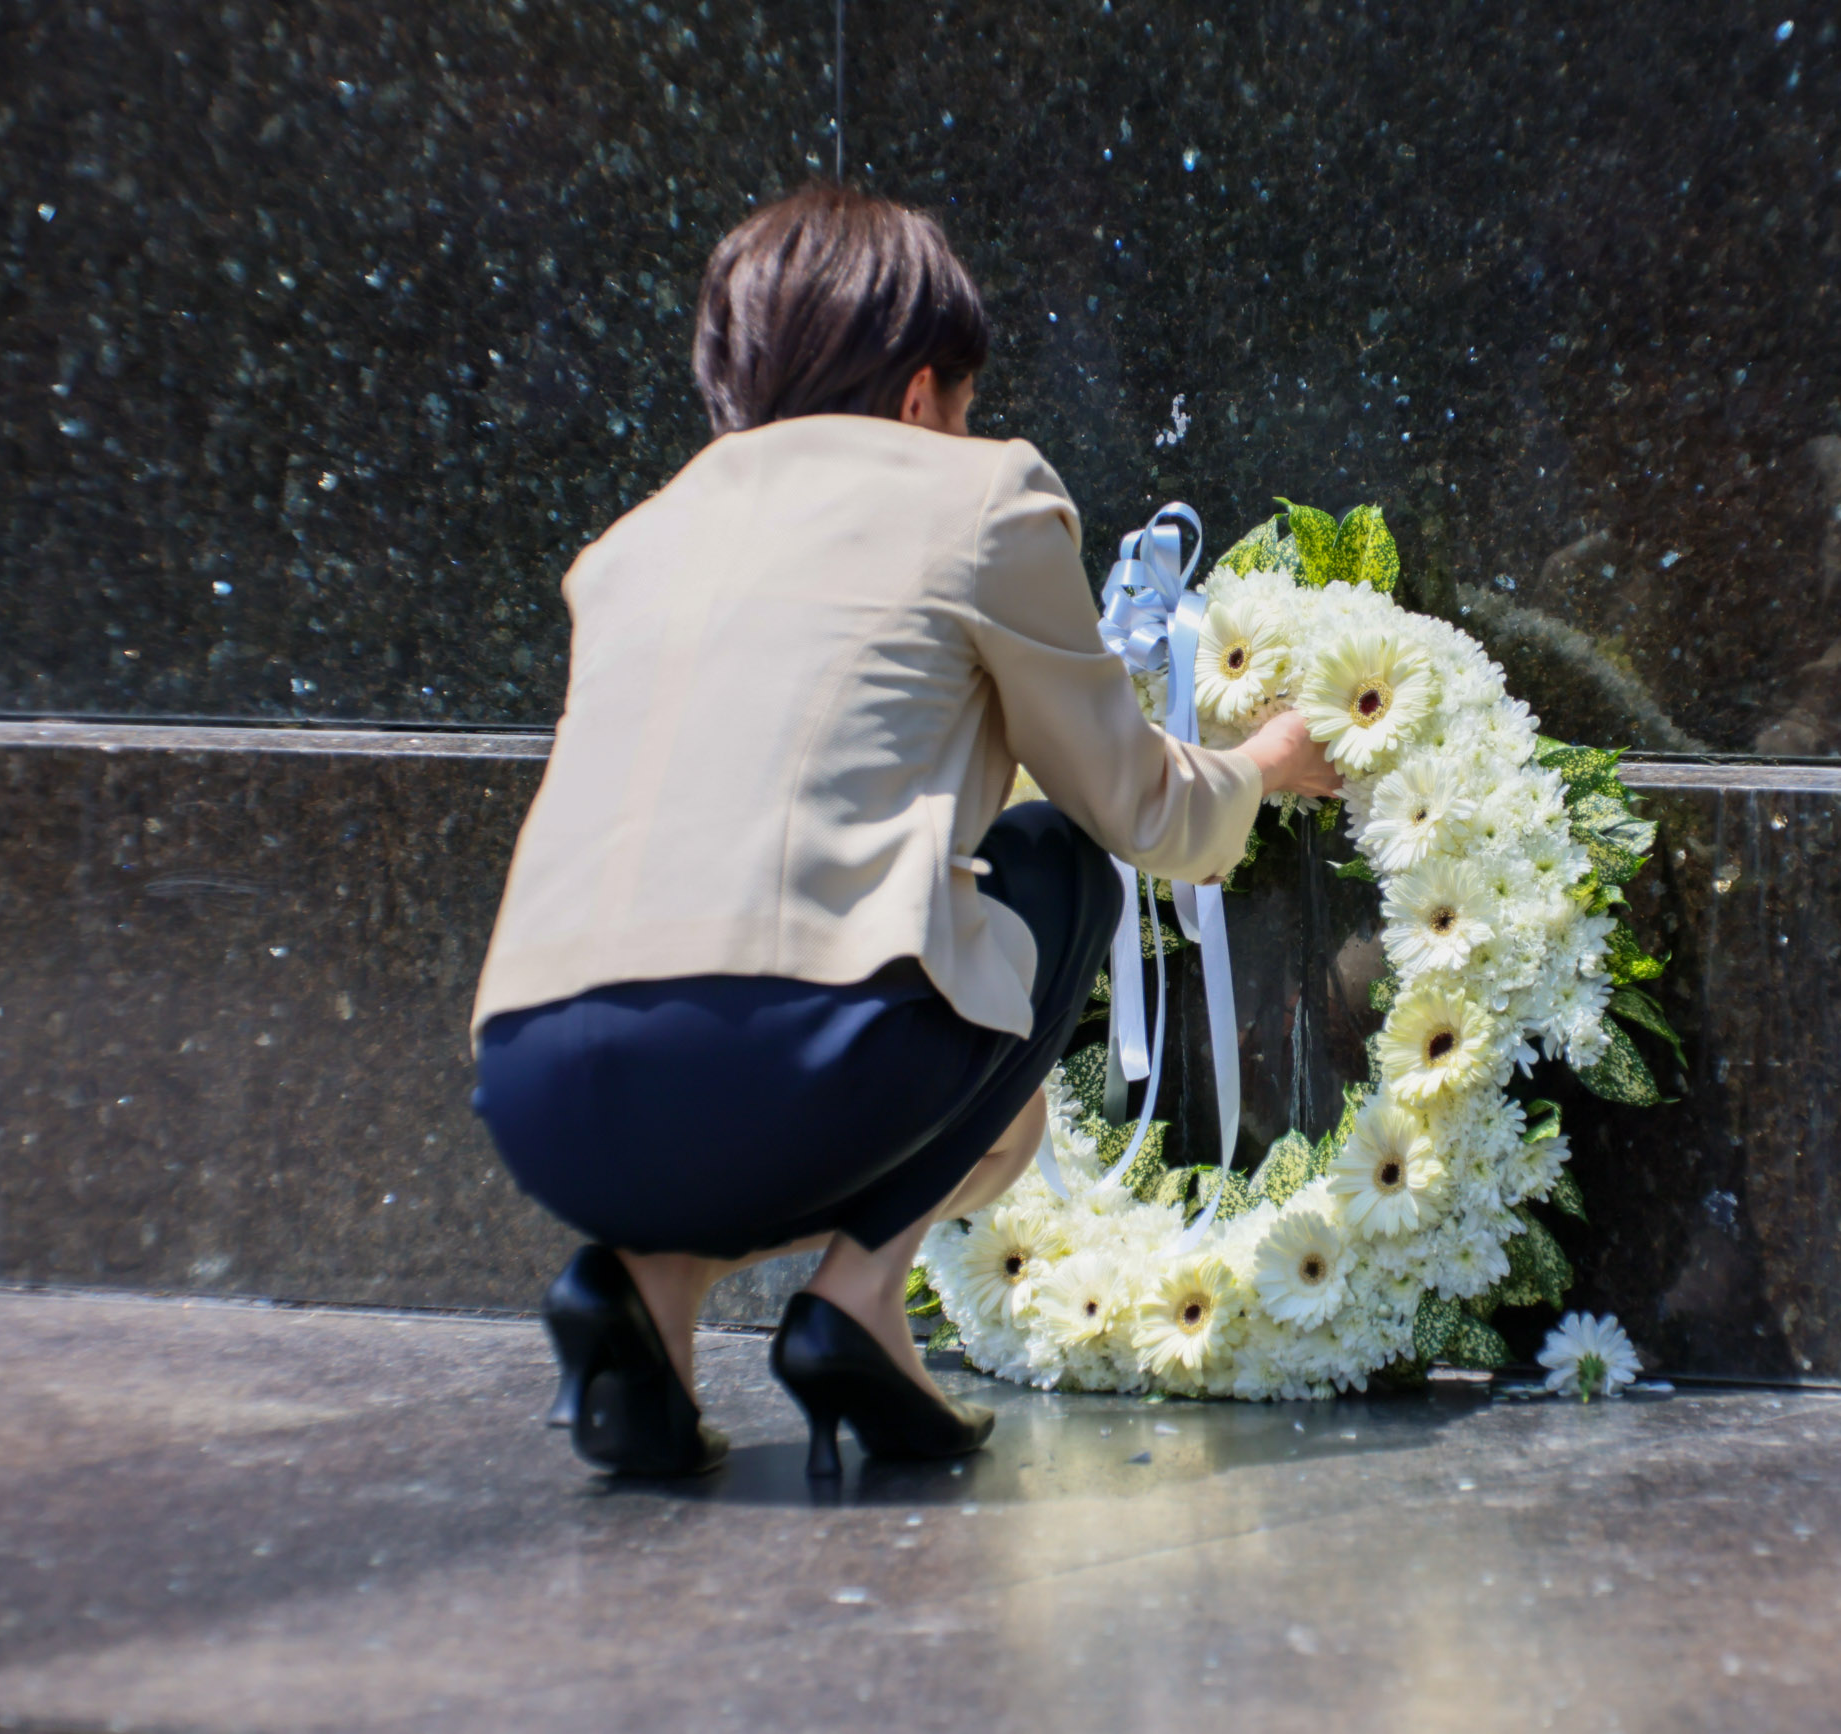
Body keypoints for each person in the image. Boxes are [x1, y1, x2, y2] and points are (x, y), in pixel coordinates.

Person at [469, 182, 1341, 1478]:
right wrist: (1266, 766)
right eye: (967, 405)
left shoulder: (630, 544)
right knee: (1065, 868)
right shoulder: (982, 495)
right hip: (789, 1063)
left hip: (533, 1093)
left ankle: (644, 1299)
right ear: (924, 392)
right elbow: (1141, 807)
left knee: (741, 1016)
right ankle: (857, 1301)